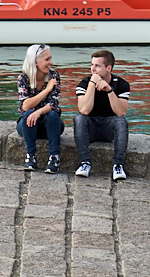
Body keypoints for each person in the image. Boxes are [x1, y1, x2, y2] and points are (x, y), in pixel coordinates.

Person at [73, 48, 130, 183]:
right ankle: (85, 163)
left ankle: (118, 165)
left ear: (108, 68)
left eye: (97, 66)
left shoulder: (122, 85)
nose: (92, 69)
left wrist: (109, 90)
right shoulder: (84, 84)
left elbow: (120, 112)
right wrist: (92, 84)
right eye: (92, 65)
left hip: (109, 128)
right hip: (90, 127)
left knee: (121, 121)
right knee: (79, 118)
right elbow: (84, 110)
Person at [17, 43, 64, 174]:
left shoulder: (54, 76)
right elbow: (25, 105)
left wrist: (38, 112)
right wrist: (47, 89)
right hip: (29, 126)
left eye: (50, 58)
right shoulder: (23, 78)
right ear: (36, 62)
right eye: (47, 59)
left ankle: (54, 157)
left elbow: (53, 104)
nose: (51, 62)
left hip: (51, 125)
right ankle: (30, 156)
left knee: (52, 115)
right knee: (28, 114)